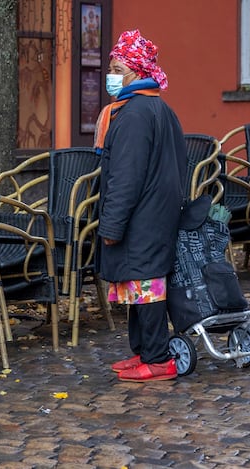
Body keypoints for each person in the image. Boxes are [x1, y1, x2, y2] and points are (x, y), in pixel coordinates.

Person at [94, 29, 187, 382]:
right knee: (139, 287)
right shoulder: (158, 107)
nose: (112, 76)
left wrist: (112, 226)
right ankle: (143, 352)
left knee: (146, 289)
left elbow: (125, 177)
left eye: (117, 68)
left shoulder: (133, 114)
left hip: (141, 219)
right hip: (156, 215)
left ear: (136, 72)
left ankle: (158, 358)